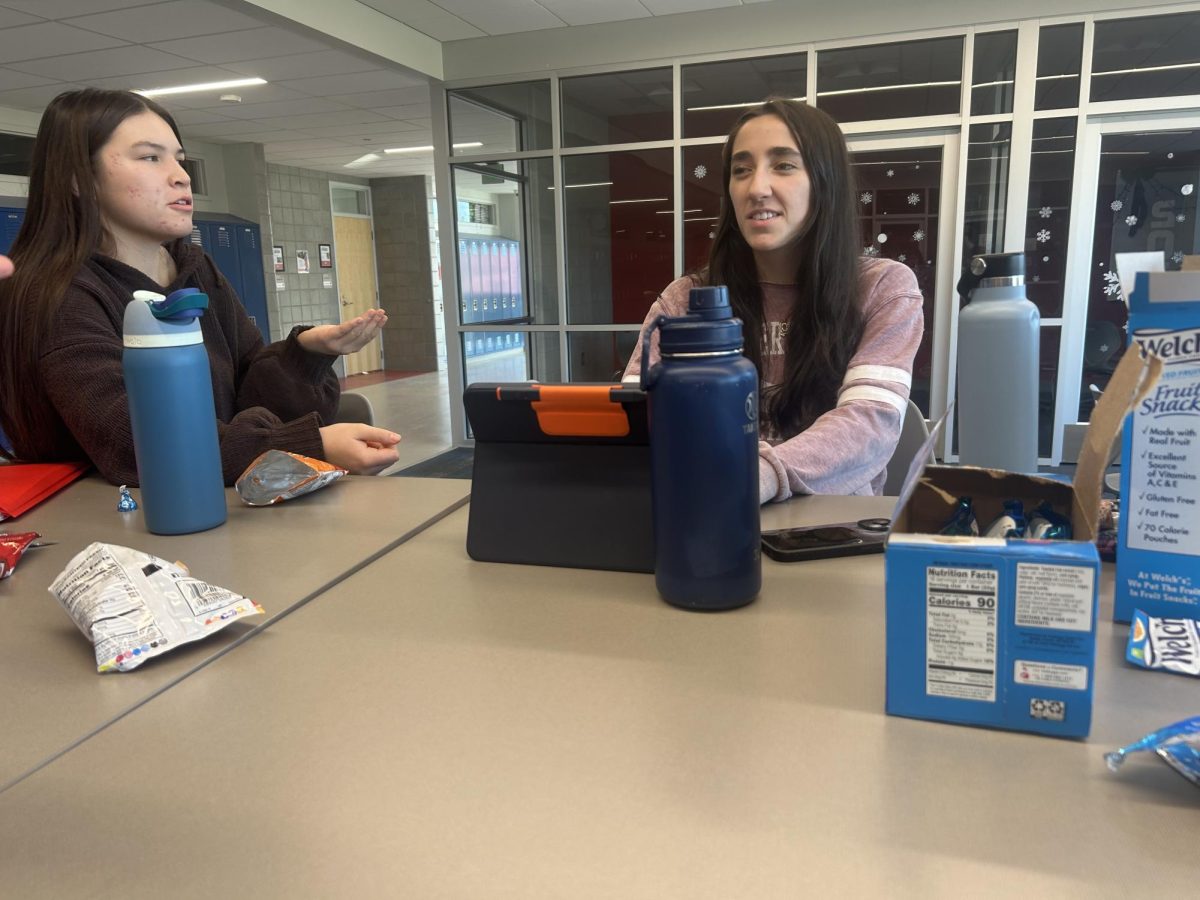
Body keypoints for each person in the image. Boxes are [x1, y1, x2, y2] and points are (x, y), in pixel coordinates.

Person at [0, 89, 401, 485]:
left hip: (218, 507)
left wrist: (306, 355)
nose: (181, 176)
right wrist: (310, 444)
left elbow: (254, 399)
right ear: (79, 179)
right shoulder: (56, 294)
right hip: (110, 528)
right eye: (150, 157)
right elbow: (136, 446)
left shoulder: (195, 268)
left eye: (179, 159)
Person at [624, 98, 923, 503]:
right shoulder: (686, 299)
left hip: (830, 527)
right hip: (708, 512)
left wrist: (758, 474)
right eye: (741, 170)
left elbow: (871, 422)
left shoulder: (883, 287)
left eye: (783, 165)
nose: (757, 188)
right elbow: (635, 419)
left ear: (825, 181)